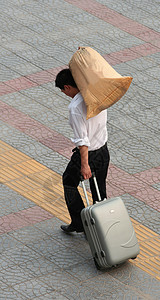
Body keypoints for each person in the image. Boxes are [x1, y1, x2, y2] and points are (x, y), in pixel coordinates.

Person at [55, 68, 110, 233]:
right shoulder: (96, 92)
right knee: (99, 191)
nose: (65, 94)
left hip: (89, 154)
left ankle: (80, 223)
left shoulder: (76, 106)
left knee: (69, 182)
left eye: (64, 91)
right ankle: (103, 229)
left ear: (67, 87)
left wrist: (84, 165)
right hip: (103, 150)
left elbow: (82, 140)